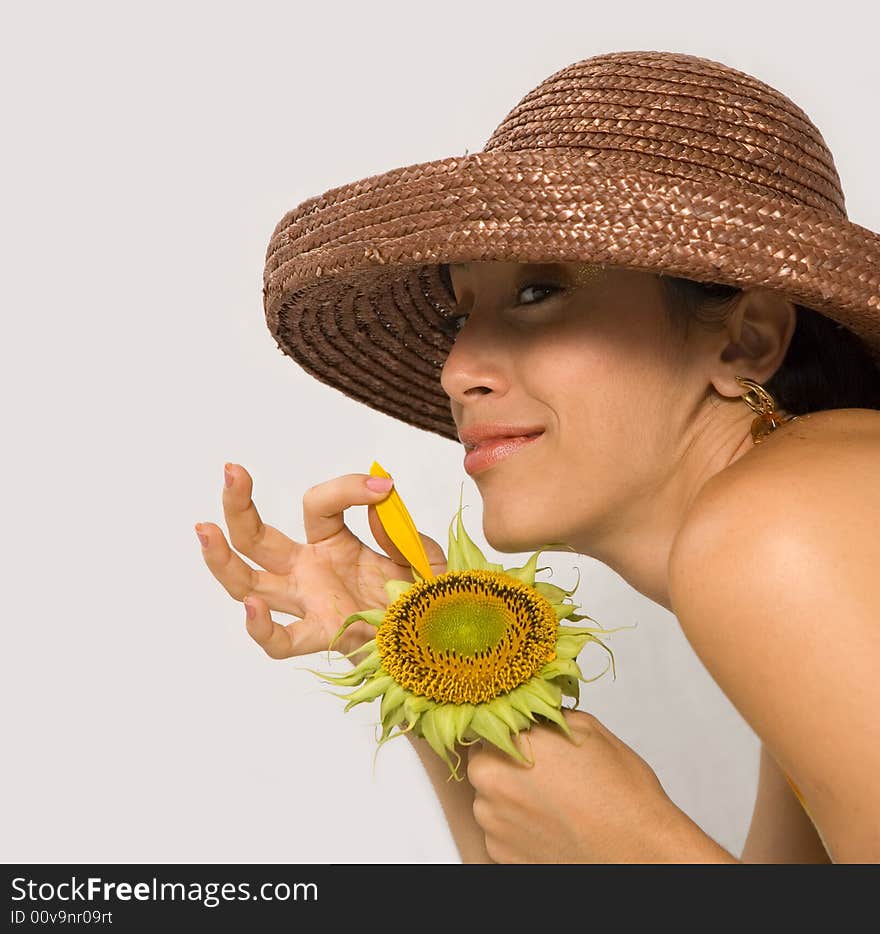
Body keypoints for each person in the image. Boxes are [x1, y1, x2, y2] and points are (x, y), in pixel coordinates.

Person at [195, 50, 880, 863]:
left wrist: (645, 853)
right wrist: (432, 669)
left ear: (747, 338)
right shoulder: (807, 524)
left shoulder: (775, 532)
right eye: (458, 318)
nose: (456, 372)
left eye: (537, 292)